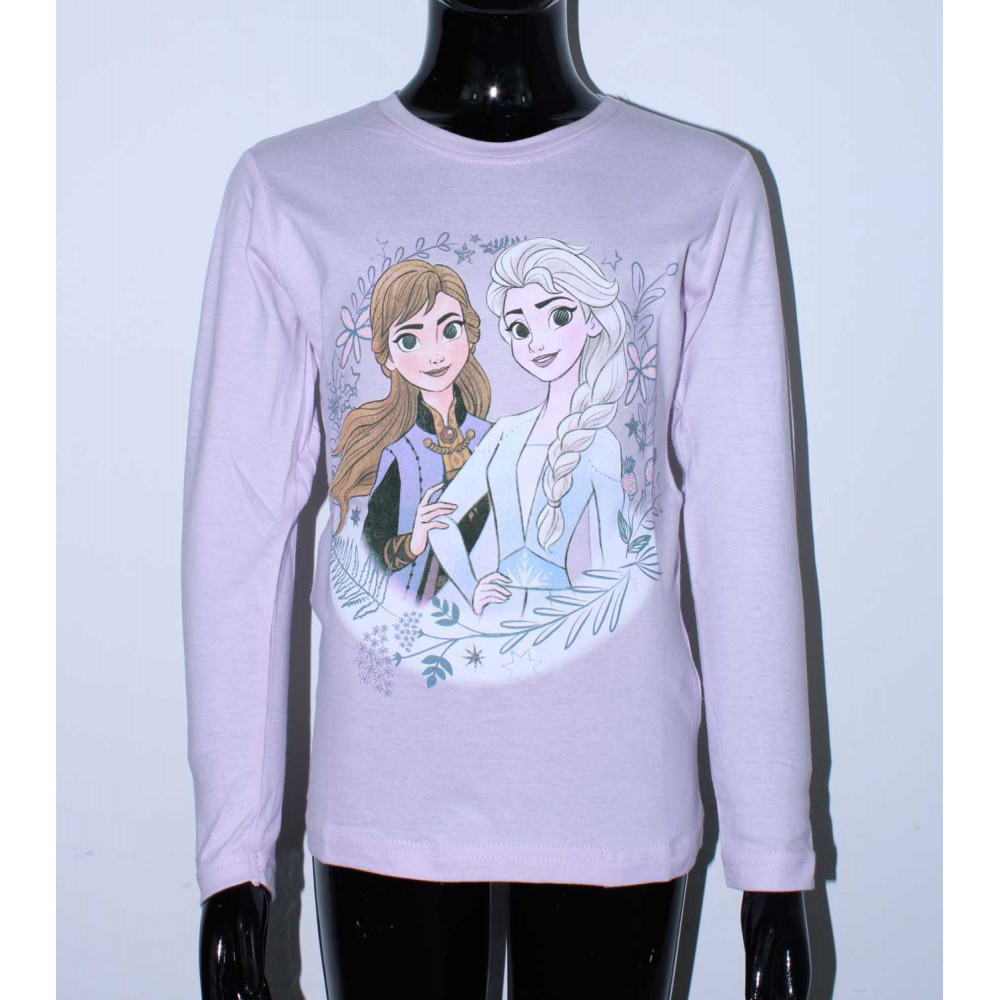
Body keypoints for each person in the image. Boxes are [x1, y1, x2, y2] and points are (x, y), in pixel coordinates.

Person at [428, 236, 628, 618]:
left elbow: (613, 565)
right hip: (491, 621)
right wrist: (471, 587)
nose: (537, 343)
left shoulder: (601, 444)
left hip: (561, 620)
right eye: (520, 329)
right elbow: (443, 520)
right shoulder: (506, 432)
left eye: (558, 317)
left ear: (591, 319)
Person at [328, 258, 492, 605]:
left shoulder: (493, 437)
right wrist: (415, 541)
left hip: (495, 595)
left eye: (450, 331)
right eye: (409, 340)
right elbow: (374, 549)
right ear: (388, 357)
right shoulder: (401, 454)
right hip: (426, 602)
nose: (435, 355)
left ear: (470, 335)